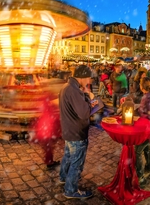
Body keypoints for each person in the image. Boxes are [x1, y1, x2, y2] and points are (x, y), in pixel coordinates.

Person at [59, 65, 95, 199]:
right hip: (76, 132)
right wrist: (90, 98)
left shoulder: (67, 87)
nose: (89, 81)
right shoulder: (74, 91)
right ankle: (71, 189)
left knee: (68, 157)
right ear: (82, 77)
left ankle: (63, 177)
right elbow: (84, 113)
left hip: (69, 130)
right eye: (88, 78)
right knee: (77, 162)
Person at [135, 78, 150, 184]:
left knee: (137, 151)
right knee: (146, 146)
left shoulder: (145, 98)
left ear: (142, 87)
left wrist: (137, 109)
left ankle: (140, 176)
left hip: (146, 127)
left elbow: (142, 112)